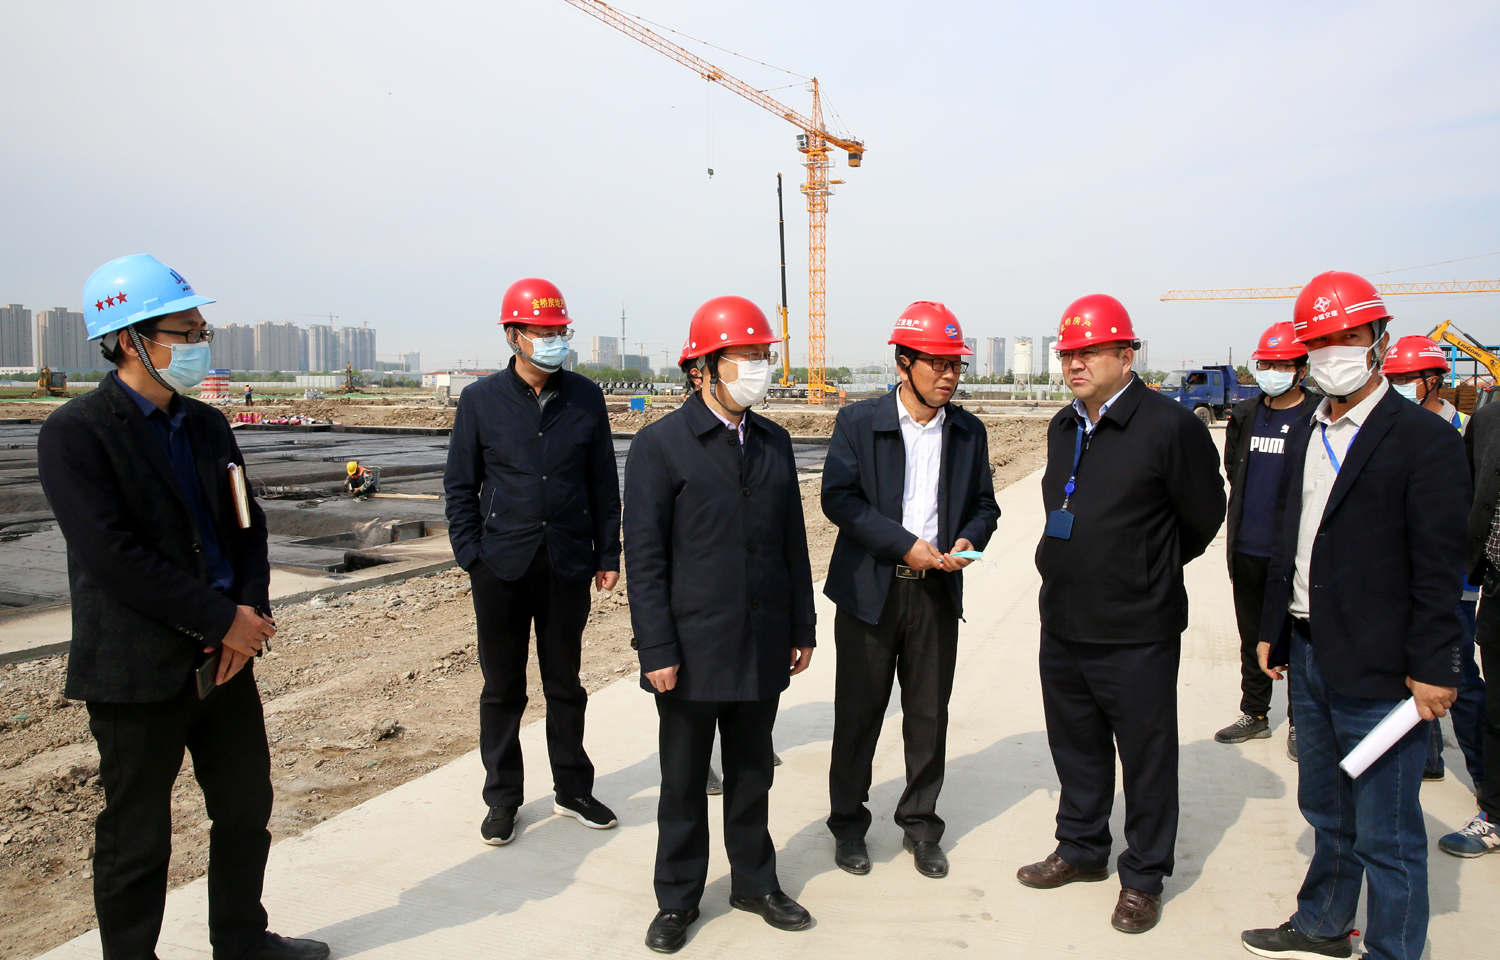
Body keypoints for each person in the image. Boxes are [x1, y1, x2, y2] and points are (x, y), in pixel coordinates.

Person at [36, 254, 327, 960]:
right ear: (129, 340)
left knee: (245, 808)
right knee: (137, 834)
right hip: (138, 670)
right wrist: (222, 620)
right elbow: (113, 558)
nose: (199, 345)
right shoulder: (77, 432)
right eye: (185, 333)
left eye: (202, 332)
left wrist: (247, 614)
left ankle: (241, 938)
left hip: (226, 662)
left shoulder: (207, 426)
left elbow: (247, 525)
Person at [1242, 272, 1468, 960]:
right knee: (1326, 806)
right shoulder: (1308, 430)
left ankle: (1393, 949)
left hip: (1383, 668)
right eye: (1321, 342)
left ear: (1379, 340)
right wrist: (1272, 629)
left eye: (1349, 337)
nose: (1333, 352)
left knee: (1387, 830)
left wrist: (1436, 666)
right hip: (1310, 652)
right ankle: (1323, 923)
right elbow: (1289, 538)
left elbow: (1439, 568)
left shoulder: (1421, 438)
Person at [1020, 294, 1224, 935]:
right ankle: (1081, 848)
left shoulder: (1169, 426)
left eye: (1090, 351)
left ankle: (1143, 877)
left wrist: (1146, 566)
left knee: (1146, 757)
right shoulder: (1063, 426)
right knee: (1075, 746)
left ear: (1126, 354)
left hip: (1138, 627)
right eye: (1067, 353)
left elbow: (1203, 515)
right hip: (1064, 621)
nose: (1075, 363)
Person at [625, 296, 817, 953]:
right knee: (683, 783)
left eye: (764, 356)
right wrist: (656, 646)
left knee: (753, 774)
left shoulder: (774, 442)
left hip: (762, 642)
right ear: (702, 368)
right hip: (690, 649)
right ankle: (677, 898)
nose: (759, 368)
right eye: (746, 357)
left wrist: (801, 627)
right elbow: (645, 558)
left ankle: (754, 883)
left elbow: (792, 543)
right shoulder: (659, 446)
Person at [820, 301, 999, 879]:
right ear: (904, 363)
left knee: (928, 716)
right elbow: (839, 499)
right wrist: (902, 545)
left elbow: (984, 505)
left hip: (935, 594)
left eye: (955, 365)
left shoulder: (968, 432)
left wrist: (969, 541)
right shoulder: (859, 422)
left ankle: (921, 826)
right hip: (870, 594)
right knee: (858, 715)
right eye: (937, 363)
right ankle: (849, 826)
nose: (949, 375)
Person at [444, 277, 621, 846]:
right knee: (503, 689)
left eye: (560, 331)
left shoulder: (585, 397)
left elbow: (603, 483)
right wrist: (471, 556)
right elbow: (460, 486)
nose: (554, 340)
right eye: (542, 332)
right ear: (513, 335)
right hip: (500, 565)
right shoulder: (480, 401)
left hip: (567, 563)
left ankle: (573, 789)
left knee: (565, 683)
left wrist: (608, 552)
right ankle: (503, 798)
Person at [1383, 336, 1485, 788]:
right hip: (1400, 575)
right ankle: (1428, 758)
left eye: (1408, 377)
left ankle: (1486, 781)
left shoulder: (1467, 429)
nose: (1401, 385)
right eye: (1394, 378)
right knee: (1407, 670)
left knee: (1458, 675)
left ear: (1434, 379)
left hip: (1453, 577)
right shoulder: (1388, 428)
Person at [1218, 322, 1319, 759]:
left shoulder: (1316, 415)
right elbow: (1233, 469)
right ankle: (1255, 712)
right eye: (1266, 364)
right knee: (1251, 635)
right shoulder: (1245, 414)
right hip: (1248, 546)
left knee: (1296, 639)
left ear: (1301, 369)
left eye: (1282, 365)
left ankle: (1301, 721)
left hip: (1294, 551)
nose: (1272, 372)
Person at [1442, 390, 1500, 857]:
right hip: (1497, 585)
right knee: (1496, 711)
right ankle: (1495, 814)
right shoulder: (1489, 421)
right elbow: (1466, 493)